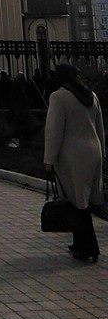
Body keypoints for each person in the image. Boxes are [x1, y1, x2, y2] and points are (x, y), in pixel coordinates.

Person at [44, 63, 105, 263]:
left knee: (79, 202)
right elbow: (99, 128)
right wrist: (101, 154)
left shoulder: (58, 97)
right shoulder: (91, 96)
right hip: (93, 151)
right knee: (81, 199)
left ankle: (90, 248)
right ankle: (79, 244)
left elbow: (54, 131)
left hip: (72, 155)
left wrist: (48, 159)